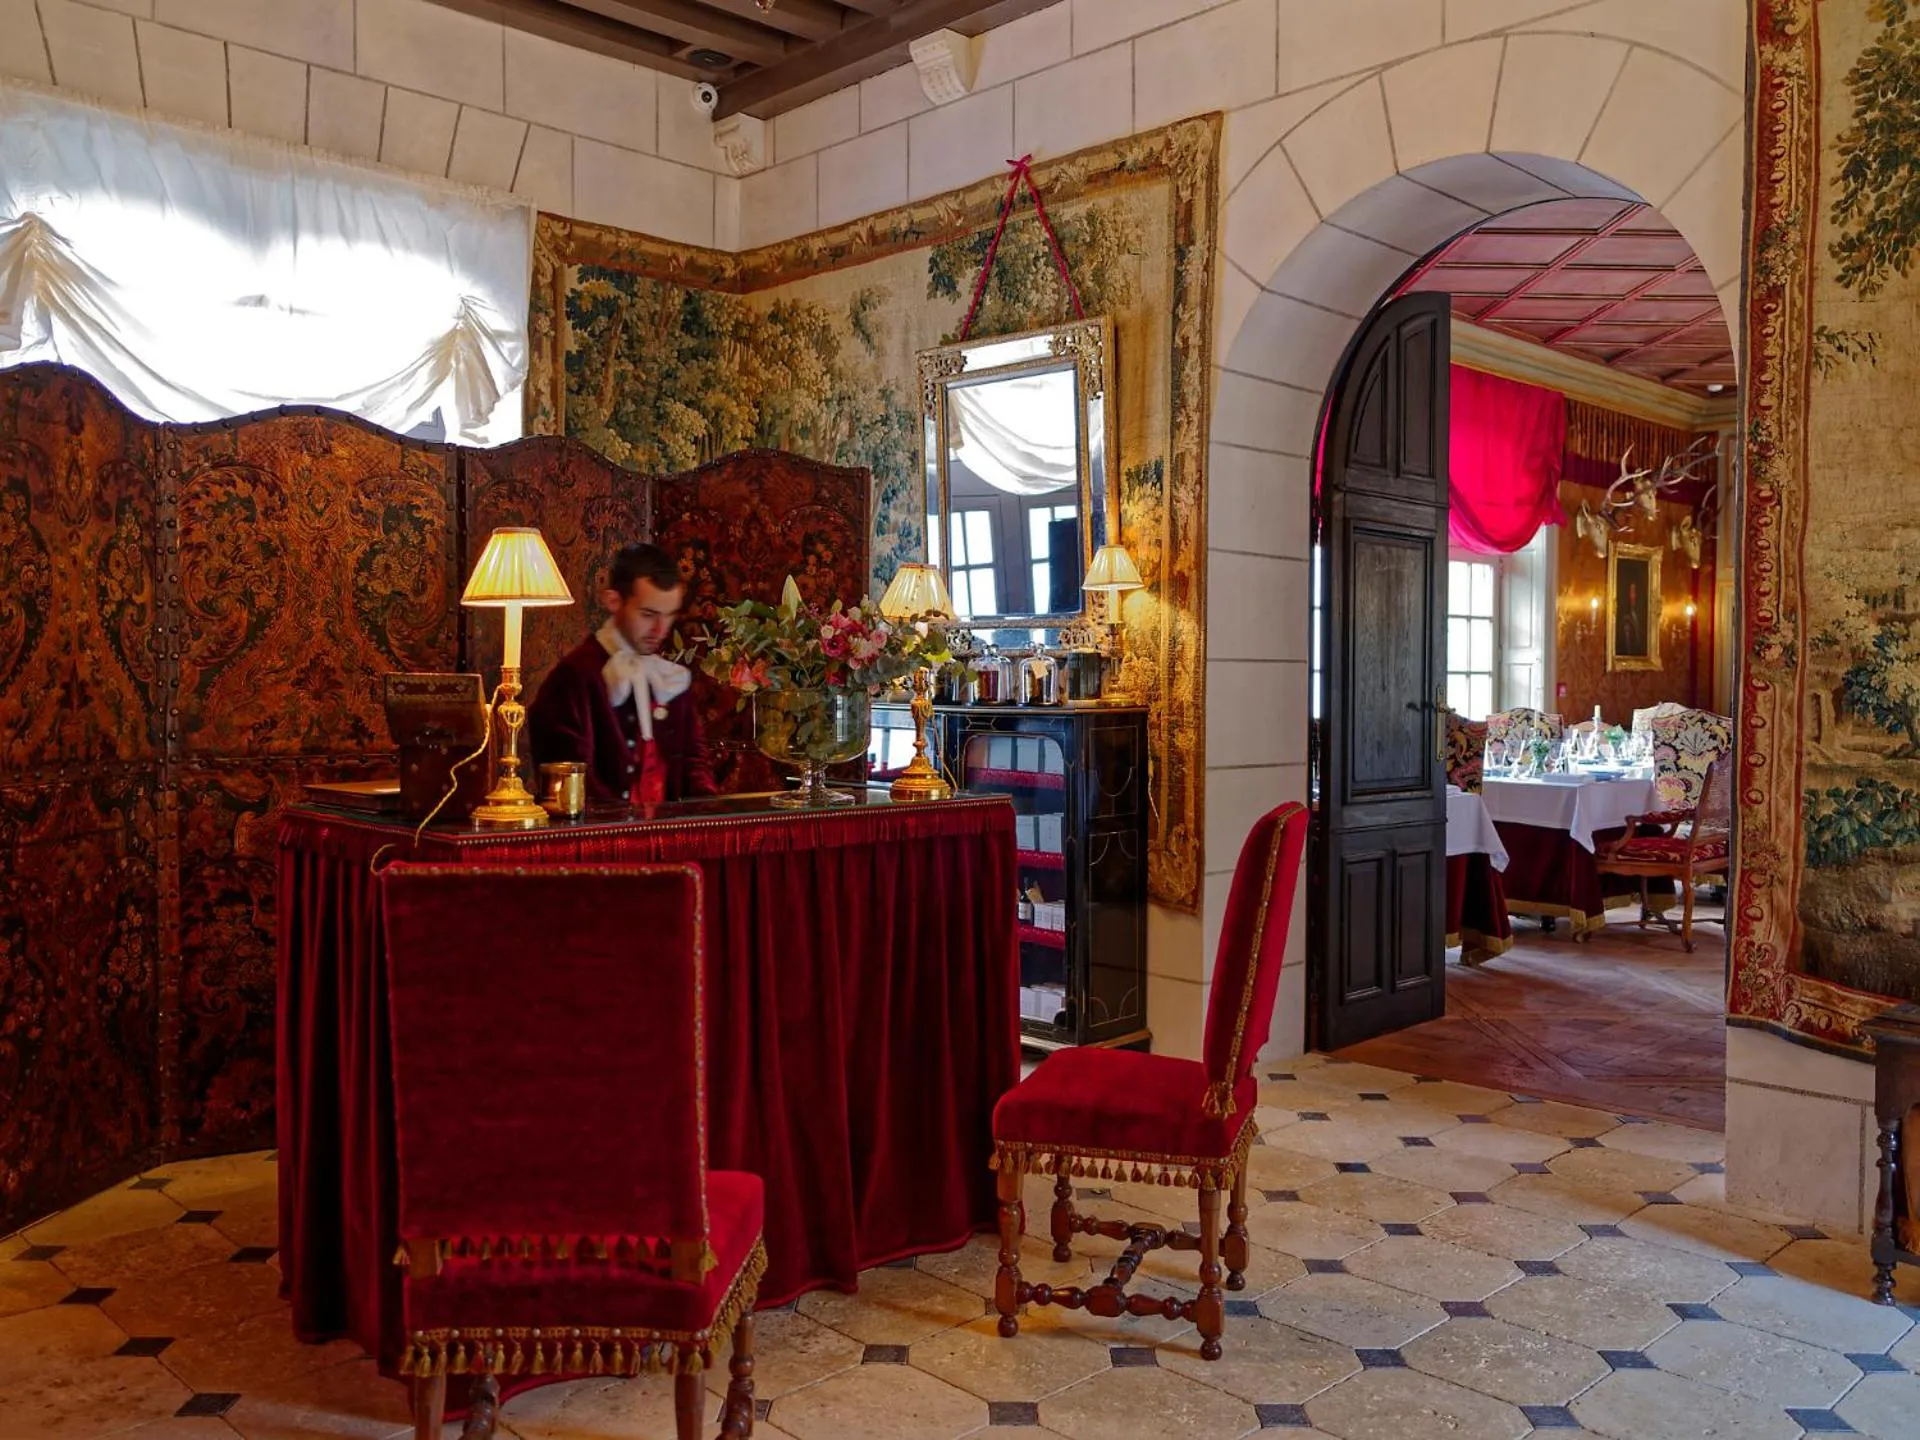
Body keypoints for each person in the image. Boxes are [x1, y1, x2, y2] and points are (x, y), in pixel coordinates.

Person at [528, 543, 717, 804]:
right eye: (648, 615)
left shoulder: (669, 678)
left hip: (669, 836)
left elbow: (694, 763)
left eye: (669, 615)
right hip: (603, 839)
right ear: (614, 601)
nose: (660, 630)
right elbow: (571, 787)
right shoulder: (574, 677)